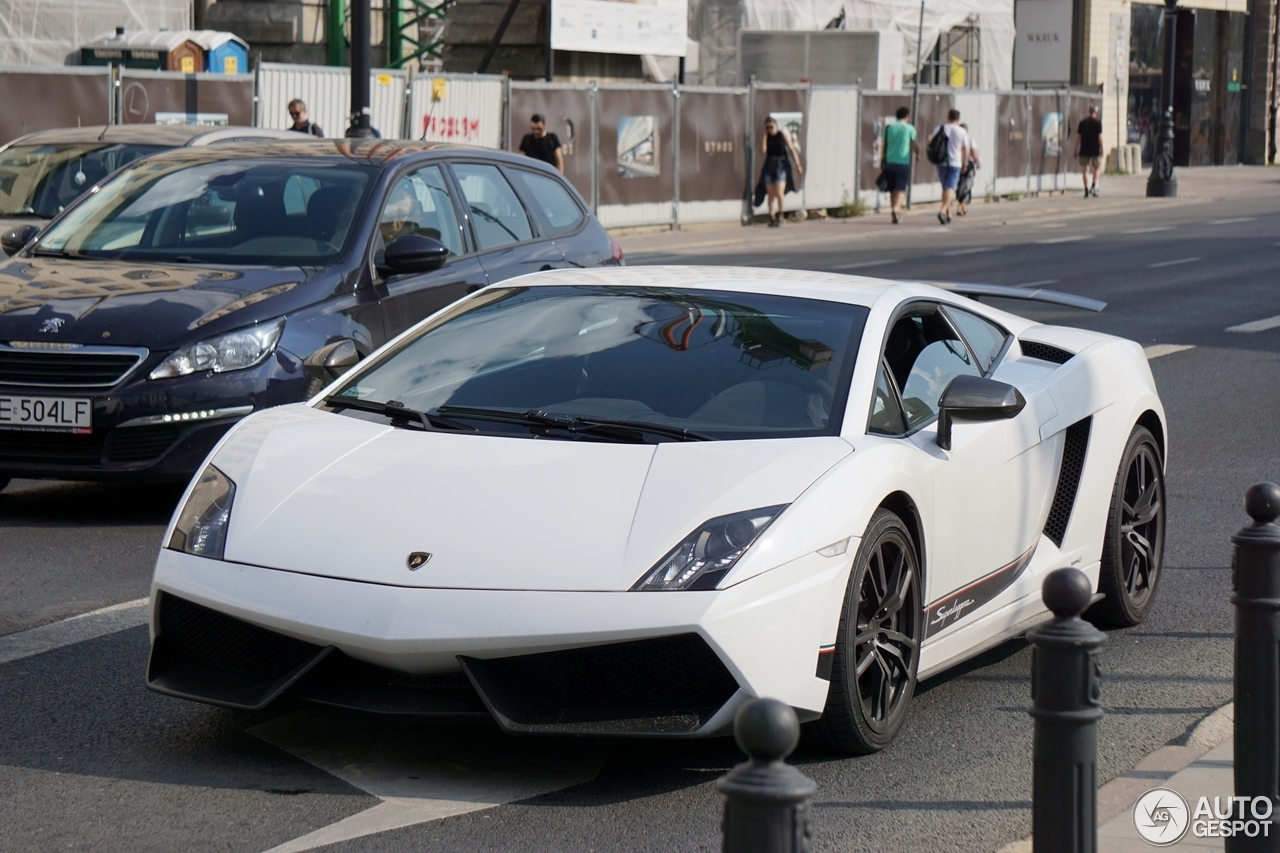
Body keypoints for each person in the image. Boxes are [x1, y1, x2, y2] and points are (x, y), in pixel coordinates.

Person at [758, 116, 803, 227]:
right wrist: (764, 136)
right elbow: (762, 151)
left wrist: (797, 164)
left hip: (781, 165)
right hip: (769, 166)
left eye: (771, 127)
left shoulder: (781, 135)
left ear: (776, 126)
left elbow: (792, 149)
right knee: (770, 194)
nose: (769, 129)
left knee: (779, 192)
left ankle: (781, 215)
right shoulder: (767, 137)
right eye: (767, 128)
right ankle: (771, 217)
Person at [930, 109, 970, 225]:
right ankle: (943, 211)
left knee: (945, 188)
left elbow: (931, 142)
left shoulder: (939, 128)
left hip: (941, 162)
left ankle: (948, 214)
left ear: (948, 117)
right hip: (955, 163)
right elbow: (965, 150)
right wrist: (965, 163)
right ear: (958, 119)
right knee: (950, 188)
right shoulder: (962, 131)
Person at [882, 107, 918, 225]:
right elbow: (913, 143)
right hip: (902, 162)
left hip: (889, 161)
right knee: (901, 188)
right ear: (907, 116)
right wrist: (918, 153)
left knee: (892, 189)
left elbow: (884, 144)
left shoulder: (889, 128)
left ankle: (894, 210)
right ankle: (896, 209)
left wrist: (882, 160)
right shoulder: (909, 128)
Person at [1075, 106, 1104, 197]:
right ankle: (1093, 187)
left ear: (1088, 112)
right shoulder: (1097, 123)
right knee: (1097, 167)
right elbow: (1099, 137)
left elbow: (1078, 138)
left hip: (1084, 149)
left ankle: (1086, 189)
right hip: (1095, 149)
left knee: (1085, 169)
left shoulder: (1082, 123)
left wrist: (1075, 149)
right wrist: (1102, 148)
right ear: (1095, 113)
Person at [955, 122, 980, 216]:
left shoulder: (955, 140)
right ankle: (962, 207)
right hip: (967, 165)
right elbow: (974, 154)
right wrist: (977, 163)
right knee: (967, 186)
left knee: (960, 185)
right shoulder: (969, 140)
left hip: (957, 164)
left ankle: (962, 207)